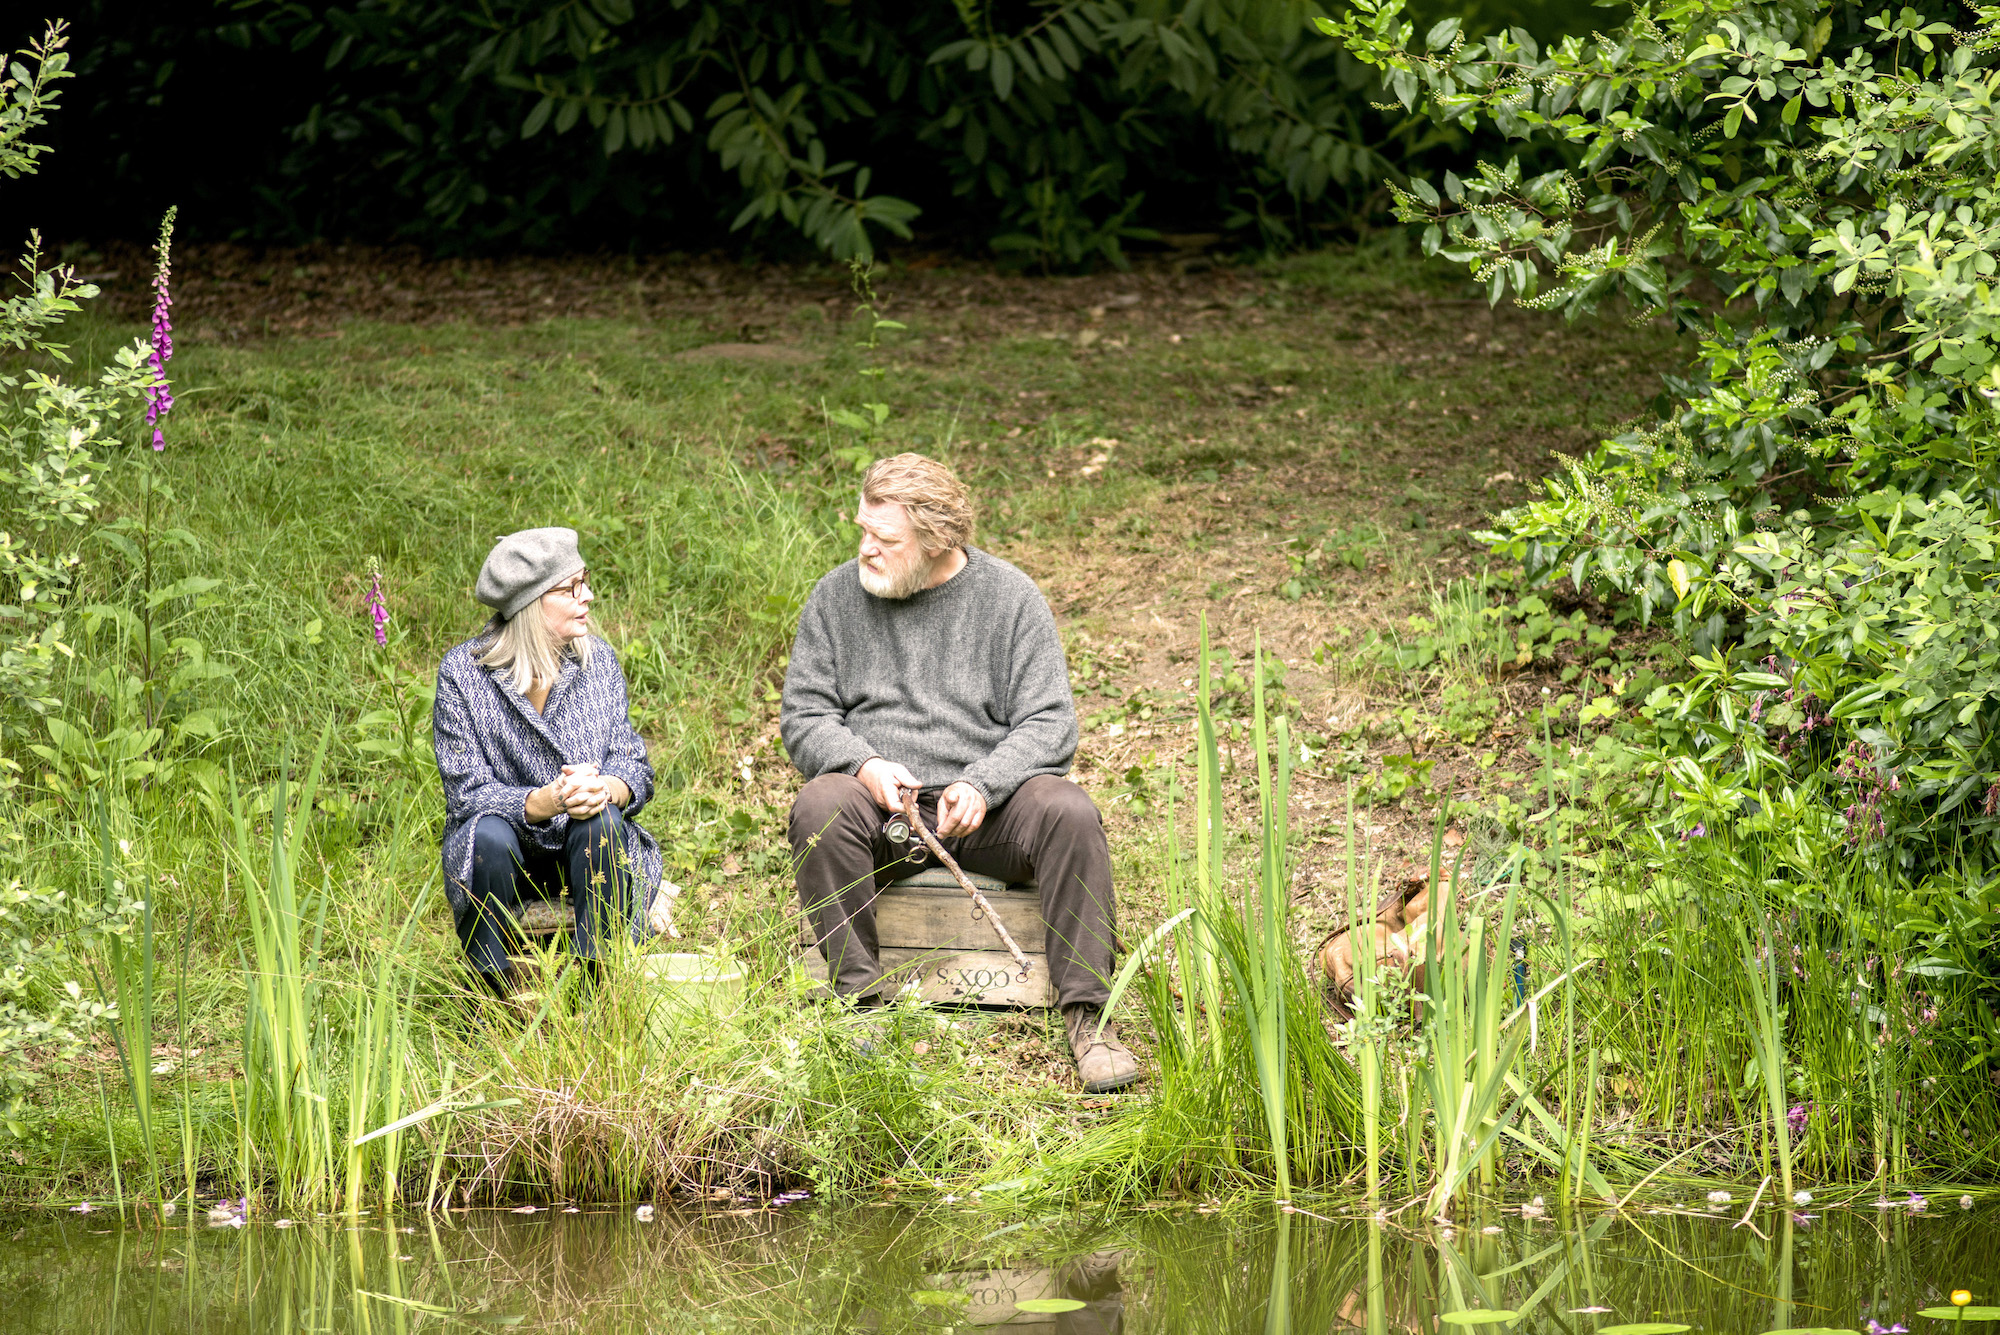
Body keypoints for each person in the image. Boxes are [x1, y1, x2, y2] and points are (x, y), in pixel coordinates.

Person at [781, 453, 1141, 1093]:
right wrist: (862, 764)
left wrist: (984, 782)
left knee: (1070, 810)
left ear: (937, 539)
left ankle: (1090, 1018)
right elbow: (805, 716)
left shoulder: (1009, 598)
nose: (866, 549)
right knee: (820, 805)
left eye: (885, 539)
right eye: (862, 530)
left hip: (987, 814)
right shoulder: (836, 598)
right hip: (886, 813)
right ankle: (858, 1009)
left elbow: (1050, 723)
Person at [434, 526, 664, 996]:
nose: (589, 595)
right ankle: (493, 993)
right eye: (572, 587)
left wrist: (607, 789)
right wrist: (546, 800)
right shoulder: (463, 674)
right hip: (509, 855)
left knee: (602, 822)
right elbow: (466, 793)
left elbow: (631, 762)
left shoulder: (597, 661)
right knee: (488, 836)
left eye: (586, 581)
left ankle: (597, 986)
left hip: (585, 844)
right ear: (531, 603)